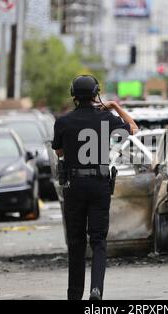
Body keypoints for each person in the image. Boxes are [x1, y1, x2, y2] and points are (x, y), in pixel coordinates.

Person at [52, 75, 138, 300]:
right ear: (95, 94)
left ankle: (74, 294)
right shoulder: (106, 118)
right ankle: (96, 289)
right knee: (98, 241)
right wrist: (115, 106)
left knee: (76, 241)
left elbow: (59, 152)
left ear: (73, 96)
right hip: (99, 184)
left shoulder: (63, 121)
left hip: (74, 185)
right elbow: (133, 129)